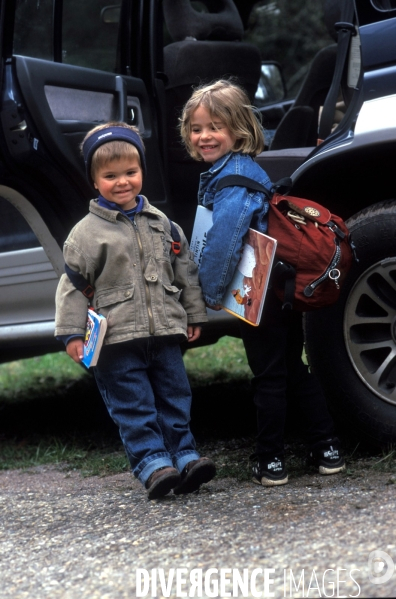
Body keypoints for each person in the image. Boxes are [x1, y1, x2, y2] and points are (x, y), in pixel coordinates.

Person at [179, 79, 345, 486]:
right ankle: (327, 449)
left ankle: (269, 459)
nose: (204, 137)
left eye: (214, 127)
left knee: (268, 375)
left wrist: (211, 294)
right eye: (196, 128)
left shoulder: (232, 180)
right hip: (280, 287)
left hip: (260, 294)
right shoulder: (246, 170)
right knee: (292, 367)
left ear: (238, 130)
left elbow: (224, 242)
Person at [55, 121, 216, 499]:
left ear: (142, 171)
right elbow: (73, 286)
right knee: (134, 405)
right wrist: (72, 333)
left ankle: (186, 456)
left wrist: (193, 314)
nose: (122, 181)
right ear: (95, 181)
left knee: (175, 396)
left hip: (163, 333)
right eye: (111, 175)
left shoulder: (163, 225)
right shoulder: (85, 234)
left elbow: (185, 271)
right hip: (116, 339)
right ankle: (153, 464)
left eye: (130, 172)